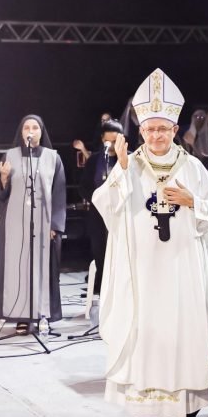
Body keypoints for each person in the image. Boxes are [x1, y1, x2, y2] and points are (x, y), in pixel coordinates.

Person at [95, 69, 208, 417]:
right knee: (147, 332)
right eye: (150, 129)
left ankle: (187, 411)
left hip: (182, 267)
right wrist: (119, 171)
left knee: (183, 333)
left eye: (163, 129)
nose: (156, 135)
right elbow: (106, 205)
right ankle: (146, 408)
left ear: (174, 129)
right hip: (144, 270)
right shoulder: (130, 165)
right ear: (141, 131)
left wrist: (192, 201)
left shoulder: (192, 167)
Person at [0, 114, 66, 333]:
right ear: (21, 132)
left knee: (42, 269)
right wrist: (3, 178)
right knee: (18, 268)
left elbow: (60, 193)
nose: (30, 131)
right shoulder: (9, 156)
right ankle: (21, 316)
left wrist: (55, 225)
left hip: (43, 225)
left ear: (41, 132)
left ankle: (43, 314)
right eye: (26, 128)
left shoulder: (53, 158)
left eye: (35, 127)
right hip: (15, 224)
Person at [78, 120, 124, 317]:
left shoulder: (129, 159)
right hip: (98, 215)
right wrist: (99, 199)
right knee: (102, 253)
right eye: (109, 141)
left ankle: (122, 297)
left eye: (116, 141)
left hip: (122, 216)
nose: (112, 146)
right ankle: (104, 296)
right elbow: (84, 186)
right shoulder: (96, 160)